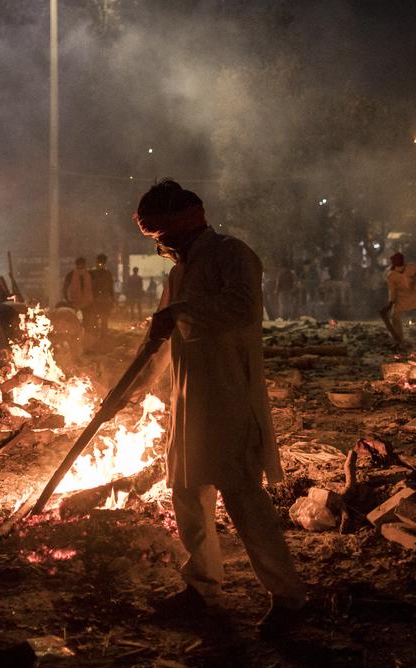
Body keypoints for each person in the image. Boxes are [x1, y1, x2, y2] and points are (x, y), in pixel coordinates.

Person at [126, 178, 307, 635]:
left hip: (229, 397)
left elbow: (243, 309)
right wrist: (135, 386)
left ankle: (287, 597)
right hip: (189, 402)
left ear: (185, 224)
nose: (162, 247)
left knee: (243, 496)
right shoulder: (178, 272)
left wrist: (181, 312)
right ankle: (202, 588)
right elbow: (163, 340)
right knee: (187, 493)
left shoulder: (233, 255)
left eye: (163, 237)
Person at [384, 252, 416, 345]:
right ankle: (399, 338)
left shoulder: (411, 267)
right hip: (402, 299)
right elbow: (392, 291)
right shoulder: (391, 275)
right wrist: (391, 302)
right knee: (395, 316)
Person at [88, 253, 115, 336]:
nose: (101, 264)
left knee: (104, 318)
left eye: (102, 263)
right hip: (96, 299)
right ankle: (96, 333)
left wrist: (112, 298)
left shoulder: (107, 274)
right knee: (95, 317)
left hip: (103, 299)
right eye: (100, 262)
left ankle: (103, 334)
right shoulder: (91, 273)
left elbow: (111, 287)